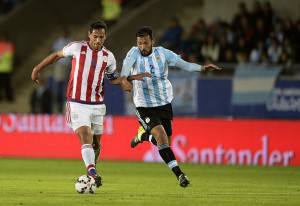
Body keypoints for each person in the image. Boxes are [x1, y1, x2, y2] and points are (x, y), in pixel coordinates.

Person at [31, 21, 149, 188]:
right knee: (85, 134)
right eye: (95, 36)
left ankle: (91, 170)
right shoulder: (77, 48)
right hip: (76, 102)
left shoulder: (109, 57)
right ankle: (93, 172)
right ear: (89, 35)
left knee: (96, 144)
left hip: (97, 104)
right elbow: (57, 55)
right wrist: (37, 68)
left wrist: (124, 81)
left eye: (101, 37)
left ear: (105, 36)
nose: (98, 40)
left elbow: (111, 78)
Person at [121, 26, 221, 187]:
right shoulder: (133, 53)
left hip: (164, 103)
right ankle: (180, 175)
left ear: (152, 41)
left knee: (165, 142)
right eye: (139, 43)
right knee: (160, 136)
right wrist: (125, 80)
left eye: (145, 43)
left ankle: (143, 136)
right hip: (143, 105)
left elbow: (185, 65)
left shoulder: (163, 53)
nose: (142, 47)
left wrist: (202, 68)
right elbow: (124, 72)